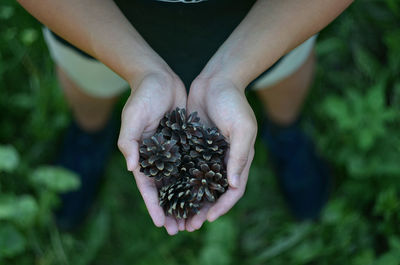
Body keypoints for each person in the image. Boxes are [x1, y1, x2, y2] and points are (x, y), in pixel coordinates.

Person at [18, 0, 354, 235]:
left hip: (271, 26)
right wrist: (141, 70)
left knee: (283, 78)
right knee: (89, 84)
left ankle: (285, 132)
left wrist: (232, 75)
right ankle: (90, 133)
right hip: (96, 26)